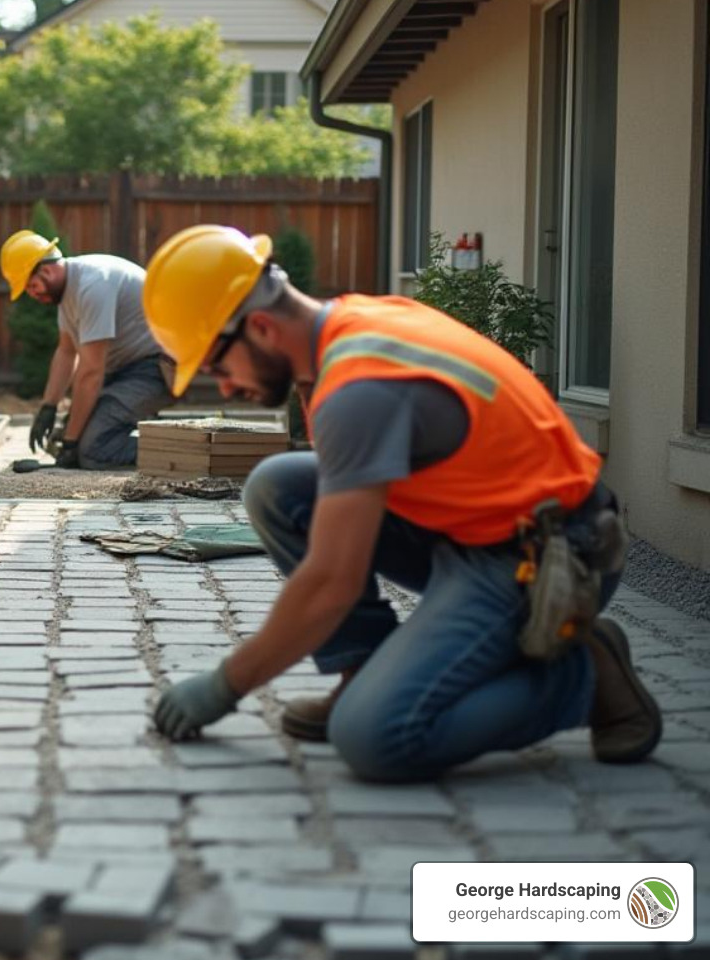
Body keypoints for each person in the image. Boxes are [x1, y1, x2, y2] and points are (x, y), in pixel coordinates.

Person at [141, 224, 658, 781]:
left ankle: (583, 674)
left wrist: (225, 684)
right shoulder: (351, 322)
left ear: (261, 327)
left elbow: (331, 583)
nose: (223, 387)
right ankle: (362, 671)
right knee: (279, 486)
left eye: (218, 367)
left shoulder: (359, 391)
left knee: (375, 736)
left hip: (548, 557)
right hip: (481, 528)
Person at [0, 230, 176, 469]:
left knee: (93, 450)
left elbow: (91, 372)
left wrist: (72, 445)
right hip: (124, 372)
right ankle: (130, 426)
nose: (33, 294)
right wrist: (48, 406)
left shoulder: (93, 286)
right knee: (69, 436)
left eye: (32, 286)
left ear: (46, 271)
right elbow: (66, 352)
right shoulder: (67, 295)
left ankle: (184, 449)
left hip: (156, 371)